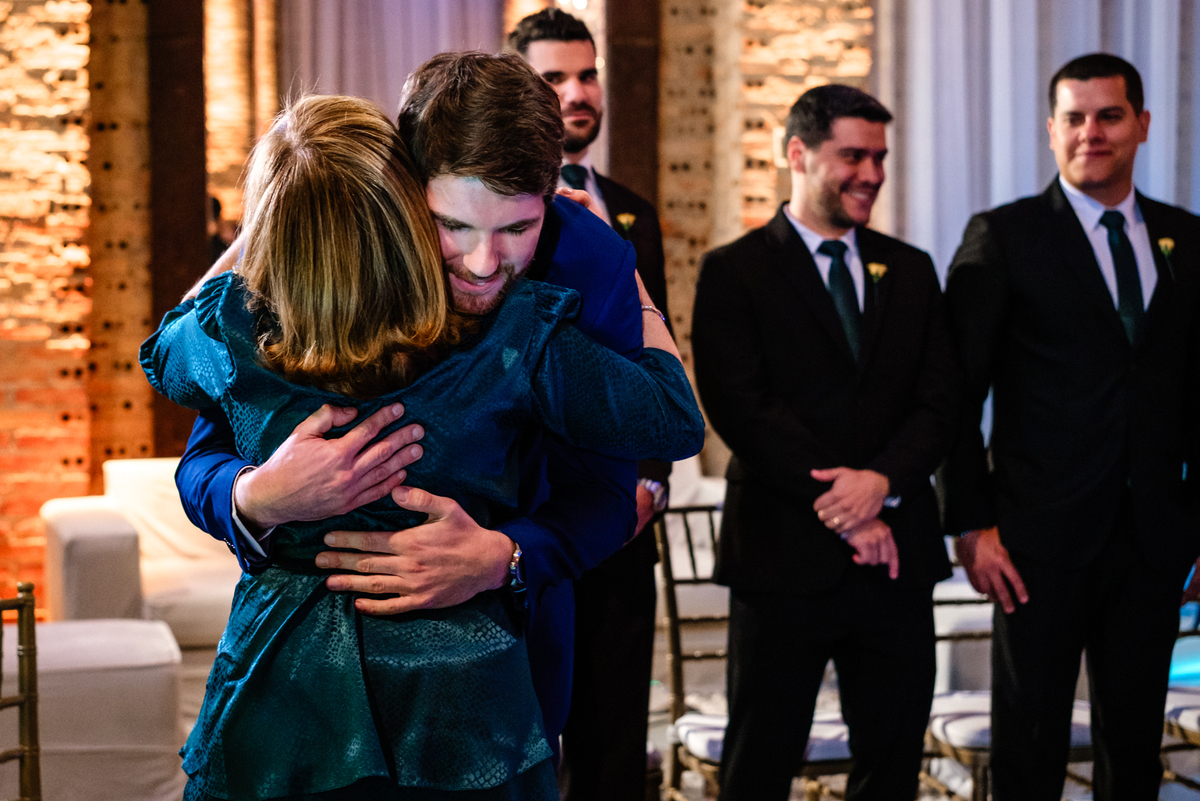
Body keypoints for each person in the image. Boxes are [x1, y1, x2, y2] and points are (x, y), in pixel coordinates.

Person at [143, 93, 704, 800]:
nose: (481, 259)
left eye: (517, 228)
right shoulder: (517, 342)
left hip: (467, 684)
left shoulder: (225, 330)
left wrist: (506, 555)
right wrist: (255, 495)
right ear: (407, 197)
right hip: (338, 697)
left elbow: (163, 348)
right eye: (451, 225)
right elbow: (201, 466)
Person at [691, 84, 959, 800]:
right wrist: (845, 504)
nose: (871, 173)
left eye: (879, 157)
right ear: (798, 153)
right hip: (782, 559)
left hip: (895, 559)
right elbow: (741, 408)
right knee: (760, 763)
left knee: (892, 764)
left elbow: (941, 401)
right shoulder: (733, 271)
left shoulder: (910, 269)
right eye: (852, 156)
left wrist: (881, 485)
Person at [945, 52, 1200, 800]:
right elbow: (958, 395)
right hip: (1034, 541)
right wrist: (970, 522)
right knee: (1030, 744)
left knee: (1133, 745)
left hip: (1154, 538)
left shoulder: (1189, 240)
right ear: (1051, 132)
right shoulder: (1004, 236)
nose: (1092, 131)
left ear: (1142, 125)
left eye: (1110, 115)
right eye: (1074, 118)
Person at [507, 10, 670, 799]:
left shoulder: (633, 212)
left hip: (623, 519)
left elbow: (656, 359)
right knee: (525, 731)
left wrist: (650, 483)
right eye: (554, 78)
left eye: (587, 73)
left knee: (614, 738)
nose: (577, 92)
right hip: (522, 509)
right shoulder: (483, 219)